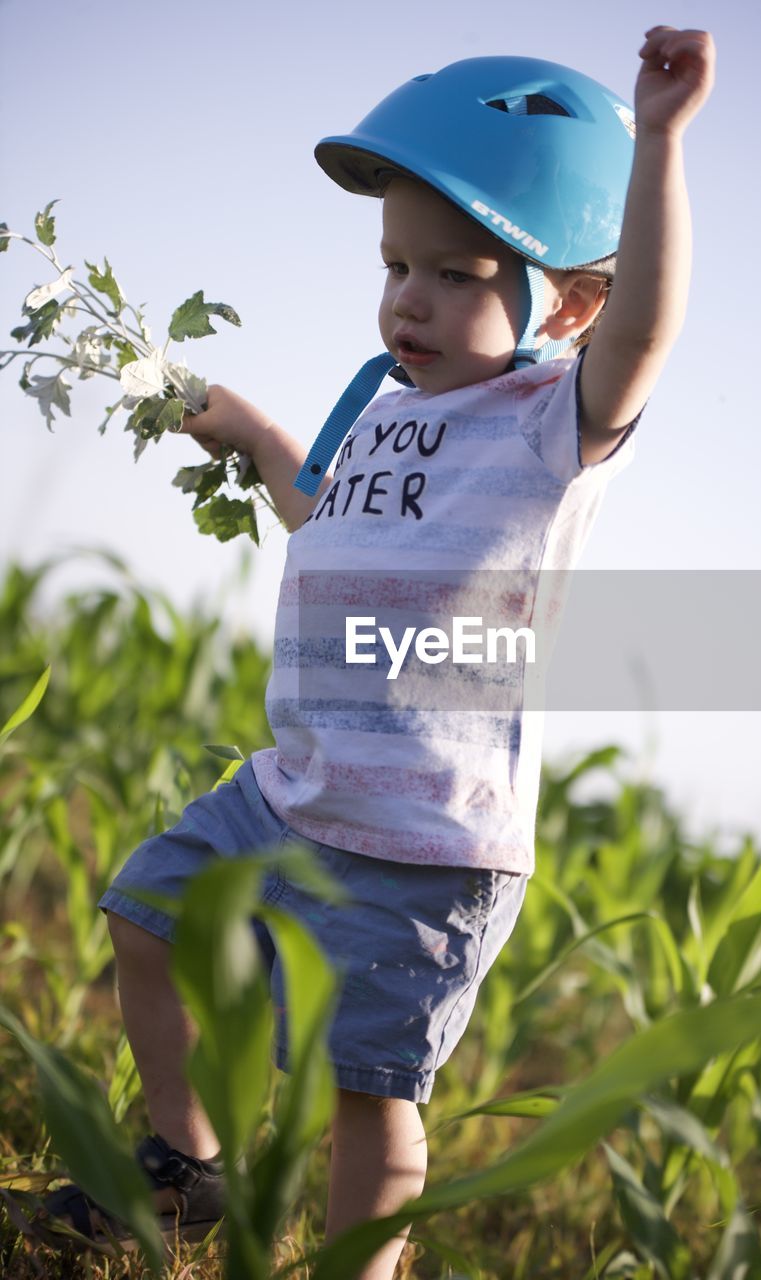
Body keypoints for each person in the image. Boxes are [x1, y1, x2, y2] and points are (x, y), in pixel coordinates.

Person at [38, 25, 715, 1280]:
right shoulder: (380, 408)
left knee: (367, 1093)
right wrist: (240, 426)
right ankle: (186, 1166)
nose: (410, 297)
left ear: (565, 303)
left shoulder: (547, 428)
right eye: (397, 264)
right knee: (144, 915)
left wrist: (660, 139)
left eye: (457, 272)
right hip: (291, 787)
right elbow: (323, 510)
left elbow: (648, 336)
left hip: (423, 839)